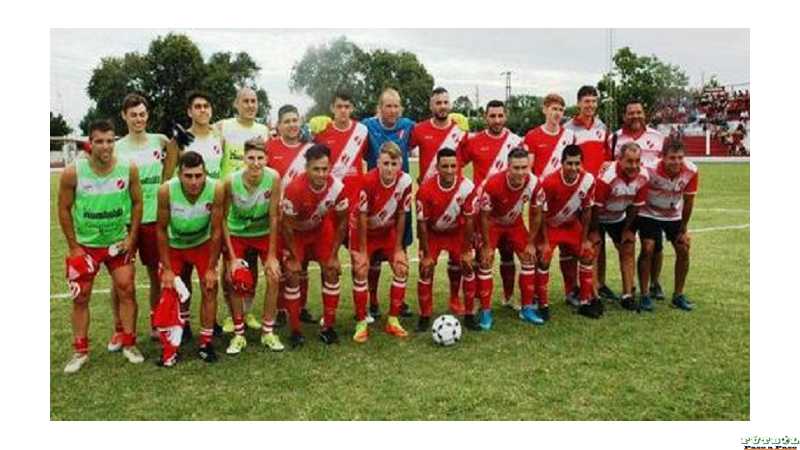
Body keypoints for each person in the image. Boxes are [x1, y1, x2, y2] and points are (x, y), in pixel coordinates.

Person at [57, 119, 145, 373]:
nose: (106, 146)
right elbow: (63, 209)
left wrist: (131, 238)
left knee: (126, 289)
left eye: (110, 141)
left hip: (117, 243)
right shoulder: (74, 172)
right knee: (81, 297)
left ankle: (129, 343)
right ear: (90, 142)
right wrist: (74, 247)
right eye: (100, 141)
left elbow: (138, 203)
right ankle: (80, 351)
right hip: (86, 246)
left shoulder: (128, 169)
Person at [110, 93, 175, 348]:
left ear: (148, 115)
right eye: (133, 114)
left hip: (152, 220)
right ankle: (119, 329)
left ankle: (157, 323)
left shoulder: (160, 141)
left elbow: (175, 156)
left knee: (156, 275)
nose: (138, 118)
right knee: (121, 279)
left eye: (142, 114)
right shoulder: (116, 148)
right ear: (124, 116)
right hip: (124, 221)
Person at [156, 151, 225, 363]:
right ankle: (173, 343)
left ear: (205, 173)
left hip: (202, 244)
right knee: (170, 290)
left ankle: (206, 342)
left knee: (210, 286)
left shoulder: (217, 188)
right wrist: (167, 269)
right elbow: (160, 230)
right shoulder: (166, 190)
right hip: (175, 245)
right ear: (179, 174)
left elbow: (216, 231)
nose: (194, 181)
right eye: (188, 176)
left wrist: (212, 267)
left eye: (198, 175)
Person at [280, 144, 349, 348]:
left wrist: (335, 255)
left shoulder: (337, 187)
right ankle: (295, 330)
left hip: (320, 232)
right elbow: (287, 226)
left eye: (325, 169)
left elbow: (343, 222)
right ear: (307, 167)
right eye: (316, 169)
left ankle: (328, 327)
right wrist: (293, 258)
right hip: (296, 236)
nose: (321, 174)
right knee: (292, 274)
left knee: (331, 270)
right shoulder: (294, 188)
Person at [410, 87, 470, 315]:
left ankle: (455, 298)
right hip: (429, 204)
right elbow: (399, 143)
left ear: (450, 105)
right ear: (431, 105)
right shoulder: (419, 129)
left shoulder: (460, 130)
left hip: (453, 201)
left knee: (457, 261)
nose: (442, 106)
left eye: (446, 102)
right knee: (427, 260)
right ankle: (426, 310)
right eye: (438, 102)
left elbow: (467, 158)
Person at [221, 137, 284, 354]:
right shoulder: (230, 181)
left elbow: (275, 216)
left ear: (266, 158)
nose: (256, 163)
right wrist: (232, 257)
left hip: (263, 233)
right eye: (251, 158)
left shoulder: (274, 177)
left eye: (260, 158)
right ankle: (239, 334)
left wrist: (273, 255)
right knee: (235, 278)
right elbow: (222, 219)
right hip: (238, 233)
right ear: (244, 158)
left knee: (274, 275)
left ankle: (268, 331)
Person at [460, 100, 523, 311]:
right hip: (484, 213)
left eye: (500, 115)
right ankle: (478, 299)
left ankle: (509, 296)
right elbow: (456, 165)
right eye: (492, 116)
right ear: (485, 117)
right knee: (482, 256)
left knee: (508, 255)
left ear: (506, 116)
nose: (496, 120)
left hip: (511, 211)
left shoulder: (516, 142)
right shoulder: (475, 141)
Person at [313, 90, 370, 321]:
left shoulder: (362, 131)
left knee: (359, 262)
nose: (343, 111)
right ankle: (329, 314)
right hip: (329, 209)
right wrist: (310, 127)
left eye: (347, 106)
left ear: (352, 108)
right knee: (330, 263)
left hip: (355, 209)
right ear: (332, 108)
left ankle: (361, 313)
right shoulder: (322, 132)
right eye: (339, 106)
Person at [349, 142, 413, 343]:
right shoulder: (367, 181)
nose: (390, 168)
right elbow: (361, 217)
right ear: (377, 162)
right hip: (363, 232)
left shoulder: (405, 181)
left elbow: (403, 214)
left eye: (394, 163)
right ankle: (361, 322)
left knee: (402, 267)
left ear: (400, 163)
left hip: (387, 232)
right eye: (385, 163)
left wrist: (398, 249)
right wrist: (361, 252)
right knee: (361, 270)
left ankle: (393, 320)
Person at [476, 148, 545, 330]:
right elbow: (483, 216)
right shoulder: (493, 183)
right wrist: (487, 246)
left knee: (529, 258)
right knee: (485, 261)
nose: (521, 172)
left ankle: (527, 308)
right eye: (516, 168)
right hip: (493, 224)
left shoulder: (534, 183)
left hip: (515, 223)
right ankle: (485, 311)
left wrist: (530, 243)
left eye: (524, 168)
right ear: (508, 167)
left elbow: (537, 214)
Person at [362, 88, 416, 317]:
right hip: (375, 197)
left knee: (400, 249)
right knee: (373, 257)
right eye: (388, 106)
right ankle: (372, 302)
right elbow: (344, 135)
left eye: (396, 106)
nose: (392, 110)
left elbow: (434, 131)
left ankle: (399, 302)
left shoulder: (409, 126)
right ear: (379, 108)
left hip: (400, 195)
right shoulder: (366, 127)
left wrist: (455, 124)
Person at [606, 99, 667, 301]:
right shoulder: (614, 138)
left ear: (644, 114)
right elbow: (608, 165)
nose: (635, 116)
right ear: (624, 116)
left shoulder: (658, 137)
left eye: (638, 112)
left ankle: (654, 283)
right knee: (627, 243)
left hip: (651, 202)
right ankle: (627, 287)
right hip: (626, 201)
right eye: (631, 113)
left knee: (654, 246)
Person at [537, 144, 602, 319]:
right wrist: (543, 241)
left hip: (571, 225)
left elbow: (587, 210)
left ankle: (584, 301)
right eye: (569, 163)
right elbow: (541, 213)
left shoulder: (588, 180)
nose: (573, 168)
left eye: (577, 163)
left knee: (587, 253)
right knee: (543, 258)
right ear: (562, 163)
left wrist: (585, 238)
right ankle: (542, 303)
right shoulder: (549, 182)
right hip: (550, 226)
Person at [416, 147, 477, 331]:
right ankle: (425, 315)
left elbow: (468, 221)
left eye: (453, 166)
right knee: (425, 268)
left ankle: (469, 315)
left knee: (467, 265)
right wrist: (426, 254)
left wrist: (466, 251)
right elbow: (422, 224)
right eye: (445, 166)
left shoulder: (467, 187)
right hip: (433, 233)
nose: (450, 170)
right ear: (437, 167)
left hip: (456, 233)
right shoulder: (425, 189)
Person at [266, 105, 314, 327]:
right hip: (277, 217)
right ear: (278, 125)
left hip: (302, 217)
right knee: (282, 266)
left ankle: (300, 307)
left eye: (295, 120)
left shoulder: (309, 150)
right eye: (287, 121)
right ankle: (279, 309)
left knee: (300, 264)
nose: (292, 125)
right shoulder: (270, 148)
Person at [636, 141, 698, 312]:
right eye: (672, 158)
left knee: (683, 248)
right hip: (648, 212)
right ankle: (645, 295)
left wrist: (683, 229)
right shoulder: (648, 170)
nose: (676, 162)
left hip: (673, 215)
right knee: (648, 248)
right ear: (662, 157)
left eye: (680, 158)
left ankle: (678, 295)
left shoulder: (691, 170)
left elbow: (689, 201)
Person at [564, 86, 611, 306]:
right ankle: (576, 286)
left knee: (597, 238)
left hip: (597, 192)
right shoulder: (569, 129)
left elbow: (608, 159)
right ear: (578, 103)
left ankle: (598, 284)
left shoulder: (603, 128)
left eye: (594, 101)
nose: (590, 105)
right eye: (586, 101)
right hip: (577, 193)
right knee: (577, 241)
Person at [591, 142, 649, 311]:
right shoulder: (607, 178)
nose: (634, 166)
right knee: (593, 249)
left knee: (628, 247)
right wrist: (594, 231)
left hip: (618, 216)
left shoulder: (643, 176)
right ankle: (594, 296)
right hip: (598, 216)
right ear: (619, 160)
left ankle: (627, 295)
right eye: (629, 161)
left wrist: (628, 230)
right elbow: (595, 207)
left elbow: (635, 206)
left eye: (637, 161)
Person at [523, 93, 576, 179]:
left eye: (561, 110)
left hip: (563, 188)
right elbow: (528, 169)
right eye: (554, 109)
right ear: (544, 110)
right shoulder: (532, 136)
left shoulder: (570, 136)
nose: (558, 113)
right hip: (541, 188)